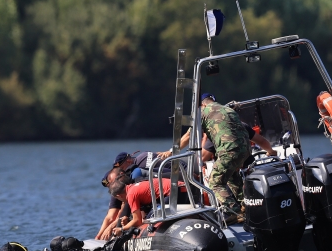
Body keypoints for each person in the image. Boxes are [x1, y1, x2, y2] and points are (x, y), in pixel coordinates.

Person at [182, 93, 250, 223]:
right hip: (245, 150)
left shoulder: (203, 112)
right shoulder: (228, 109)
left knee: (214, 182)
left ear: (202, 105)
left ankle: (233, 211)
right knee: (232, 177)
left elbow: (188, 136)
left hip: (229, 150)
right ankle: (246, 207)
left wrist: (170, 152)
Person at [106, 177, 180, 237]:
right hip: (182, 188)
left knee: (150, 219)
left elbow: (137, 221)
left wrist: (122, 229)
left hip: (175, 194)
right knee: (149, 215)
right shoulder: (134, 187)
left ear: (119, 196)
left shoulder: (131, 194)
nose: (122, 202)